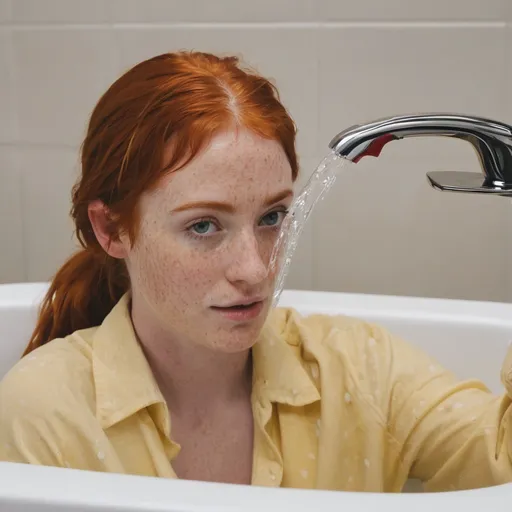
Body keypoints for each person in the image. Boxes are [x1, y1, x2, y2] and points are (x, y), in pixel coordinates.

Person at [0, 51, 511, 493]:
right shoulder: (47, 414)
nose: (254, 270)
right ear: (111, 229)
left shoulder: (360, 373)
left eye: (272, 218)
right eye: (203, 225)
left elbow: (502, 463)